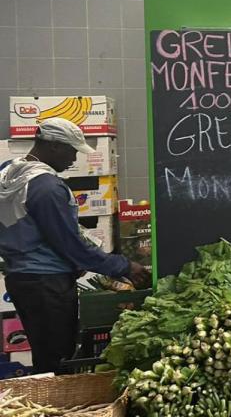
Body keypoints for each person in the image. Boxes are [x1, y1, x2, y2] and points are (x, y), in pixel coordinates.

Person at [0, 118, 148, 374]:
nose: (74, 158)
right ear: (54, 146)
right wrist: (123, 265)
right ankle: (56, 410)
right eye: (72, 149)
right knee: (58, 359)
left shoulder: (11, 172)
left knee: (45, 352)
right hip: (47, 284)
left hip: (22, 277)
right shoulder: (47, 187)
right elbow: (72, 246)